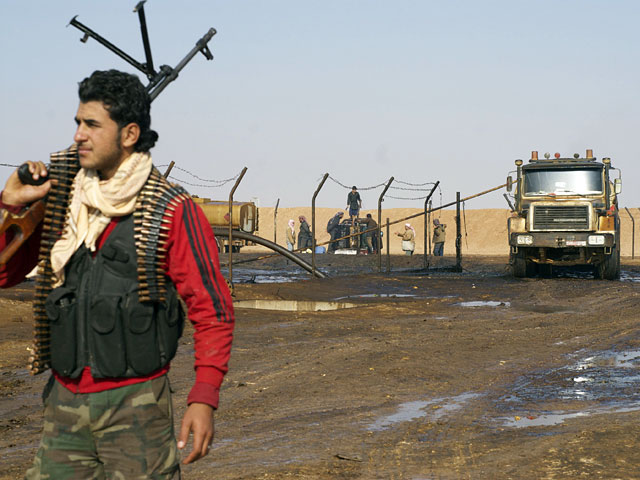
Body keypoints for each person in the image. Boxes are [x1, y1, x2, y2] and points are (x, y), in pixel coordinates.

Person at [0, 70, 234, 479]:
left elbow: (212, 311)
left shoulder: (170, 209)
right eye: (78, 123)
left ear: (129, 134)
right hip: (64, 406)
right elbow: (4, 275)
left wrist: (204, 397)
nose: (78, 135)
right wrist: (12, 206)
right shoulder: (62, 199)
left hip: (137, 408)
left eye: (92, 125)